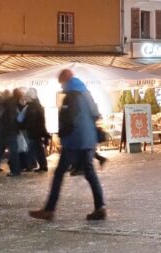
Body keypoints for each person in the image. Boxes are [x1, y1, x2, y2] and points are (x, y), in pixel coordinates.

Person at [30, 69, 106, 221]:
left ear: (66, 80)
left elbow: (68, 119)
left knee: (59, 174)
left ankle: (49, 210)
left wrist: (62, 134)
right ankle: (100, 207)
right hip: (88, 140)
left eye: (62, 83)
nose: (62, 86)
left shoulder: (71, 96)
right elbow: (96, 114)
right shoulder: (87, 93)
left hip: (74, 141)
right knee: (90, 173)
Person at [20, 88, 50, 172]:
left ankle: (32, 165)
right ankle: (41, 165)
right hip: (36, 131)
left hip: (34, 131)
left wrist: (24, 125)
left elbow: (31, 120)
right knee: (37, 148)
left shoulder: (32, 107)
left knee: (33, 148)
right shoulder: (36, 105)